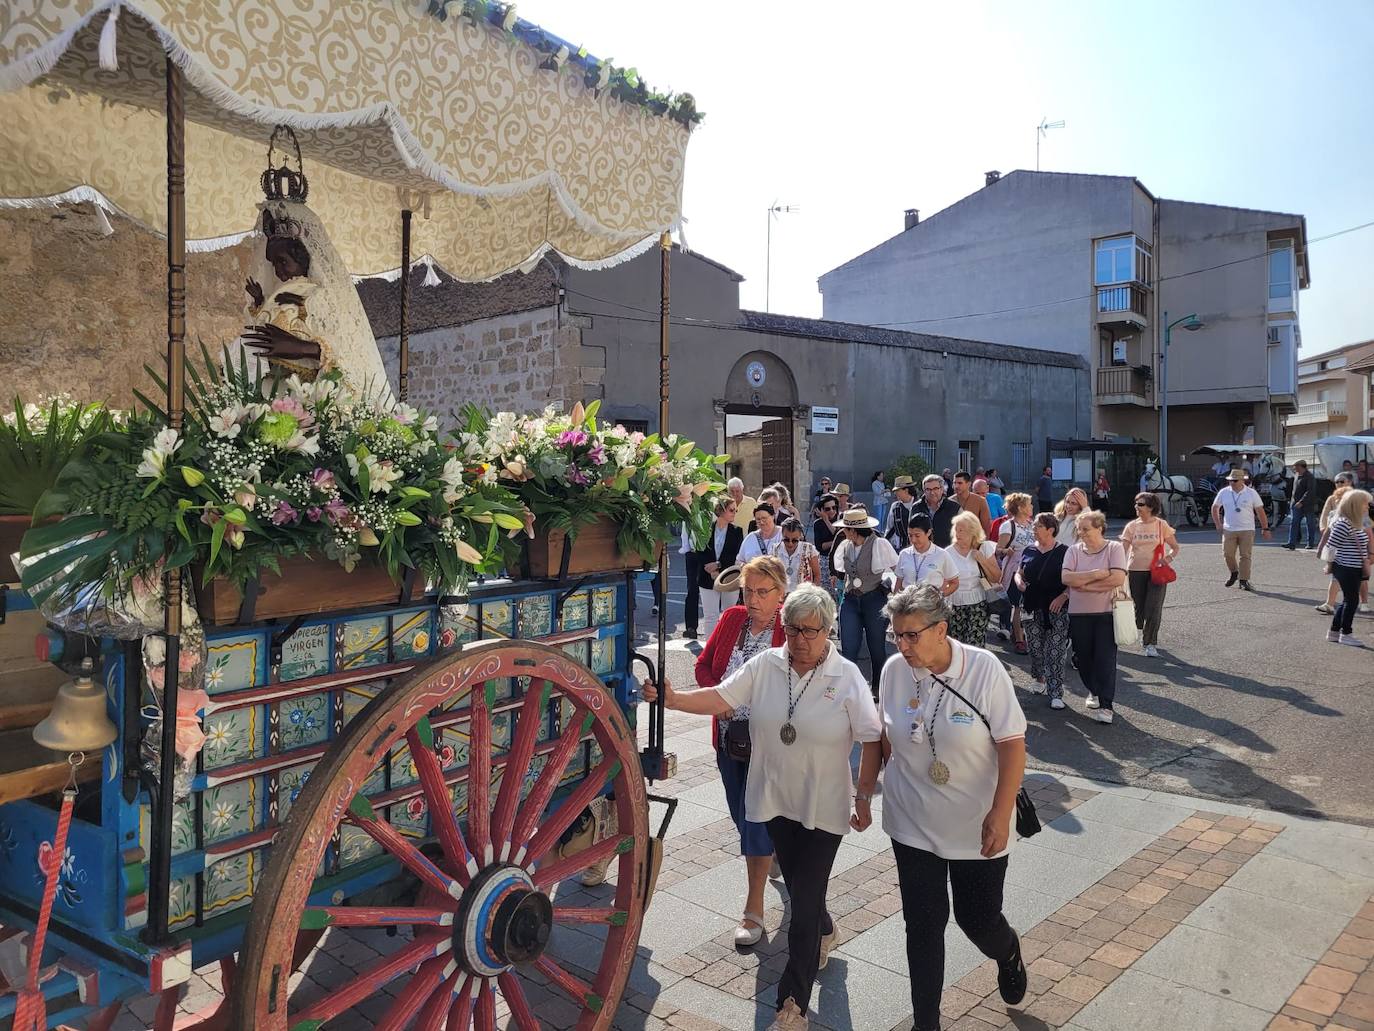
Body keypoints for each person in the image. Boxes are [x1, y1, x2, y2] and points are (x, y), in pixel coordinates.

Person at [642, 584, 883, 1030]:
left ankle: (791, 1004)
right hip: (774, 799)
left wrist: (864, 795)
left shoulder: (846, 675)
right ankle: (825, 929)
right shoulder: (768, 664)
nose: (799, 639)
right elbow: (722, 697)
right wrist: (673, 700)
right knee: (802, 887)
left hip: (823, 806)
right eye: (792, 629)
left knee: (803, 907)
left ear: (829, 629)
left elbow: (872, 737)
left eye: (810, 631)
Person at [878, 584, 1029, 1031]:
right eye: (896, 635)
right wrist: (871, 785)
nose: (902, 646)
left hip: (974, 820)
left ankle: (1008, 951)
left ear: (941, 629)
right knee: (922, 925)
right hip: (911, 820)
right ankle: (927, 1023)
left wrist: (1001, 814)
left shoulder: (983, 670)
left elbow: (1012, 745)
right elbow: (886, 733)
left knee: (977, 919)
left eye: (911, 636)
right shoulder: (893, 671)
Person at [692, 556, 788, 945]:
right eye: (748, 590)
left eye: (762, 592)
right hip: (729, 738)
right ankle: (776, 853)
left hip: (768, 745)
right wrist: (720, 697)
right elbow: (702, 667)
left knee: (754, 822)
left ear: (781, 593)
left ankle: (754, 910)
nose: (752, 599)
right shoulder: (732, 620)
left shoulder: (789, 627)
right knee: (739, 815)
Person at [1061, 511, 1128, 724]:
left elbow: (1117, 578)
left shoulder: (1114, 548)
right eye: (1079, 529)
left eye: (1085, 529)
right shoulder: (1073, 551)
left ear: (1099, 528)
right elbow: (1066, 577)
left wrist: (1083, 585)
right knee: (1083, 658)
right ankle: (1094, 690)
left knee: (1105, 659)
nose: (1081, 533)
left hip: (1106, 612)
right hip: (1078, 613)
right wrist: (1096, 574)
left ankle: (1106, 705)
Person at [833, 507, 900, 695]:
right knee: (848, 647)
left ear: (854, 530)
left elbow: (898, 570)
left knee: (876, 646)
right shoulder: (845, 545)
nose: (843, 532)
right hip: (851, 599)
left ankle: (878, 687)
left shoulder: (879, 544)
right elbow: (842, 570)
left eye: (845, 529)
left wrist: (897, 594)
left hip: (874, 598)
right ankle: (850, 689)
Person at [1016, 513, 1070, 708]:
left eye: (1038, 526)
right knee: (1036, 648)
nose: (1033, 529)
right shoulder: (1029, 550)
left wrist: (1064, 596)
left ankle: (1056, 691)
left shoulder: (1065, 551)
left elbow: (1073, 580)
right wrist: (1019, 582)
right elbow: (1019, 572)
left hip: (1056, 607)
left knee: (1055, 651)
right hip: (1031, 605)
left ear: (1050, 529)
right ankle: (1039, 678)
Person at [1121, 492, 1180, 658]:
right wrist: (1116, 567)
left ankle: (1150, 643)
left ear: (1151, 507)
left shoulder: (1161, 525)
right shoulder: (1132, 526)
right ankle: (1139, 630)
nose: (1136, 507)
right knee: (1138, 608)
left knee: (1153, 608)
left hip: (1157, 572)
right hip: (1135, 571)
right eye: (1136, 504)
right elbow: (1122, 550)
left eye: (1140, 504)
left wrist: (1167, 559)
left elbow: (1175, 547)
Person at [1319, 489, 1373, 646]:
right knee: (1352, 601)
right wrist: (1329, 566)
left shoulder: (1356, 521)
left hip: (1352, 567)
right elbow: (1330, 547)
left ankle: (1334, 632)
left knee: (1348, 600)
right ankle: (1346, 634)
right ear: (1355, 505)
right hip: (1346, 567)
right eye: (1365, 503)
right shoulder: (1344, 523)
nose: (1367, 506)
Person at [946, 511, 1002, 647]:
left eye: (962, 530)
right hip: (955, 604)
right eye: (956, 530)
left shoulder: (984, 547)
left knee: (975, 646)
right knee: (957, 646)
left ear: (973, 532)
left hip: (979, 603)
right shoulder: (947, 553)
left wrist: (982, 560)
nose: (958, 534)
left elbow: (996, 577)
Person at [1210, 469, 1271, 591]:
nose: (1232, 483)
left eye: (1235, 480)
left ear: (1242, 480)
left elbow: (1260, 511)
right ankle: (1234, 572)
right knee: (1227, 554)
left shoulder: (1251, 493)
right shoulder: (1224, 492)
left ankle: (1244, 580)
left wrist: (1265, 528)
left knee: (1245, 555)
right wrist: (1218, 523)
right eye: (1230, 480)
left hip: (1247, 529)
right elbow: (1215, 507)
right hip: (1229, 529)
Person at [696, 496, 744, 639]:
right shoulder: (705, 528)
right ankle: (709, 649)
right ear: (721, 510)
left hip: (729, 578)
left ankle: (727, 647)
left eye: (736, 510)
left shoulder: (737, 531)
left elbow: (736, 554)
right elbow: (699, 549)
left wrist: (718, 566)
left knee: (728, 615)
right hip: (707, 577)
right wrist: (710, 568)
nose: (734, 513)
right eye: (731, 510)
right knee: (710, 616)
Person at [1316, 472, 1363, 614]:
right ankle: (1330, 604)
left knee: (1359, 576)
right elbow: (1324, 516)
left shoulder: (1359, 497)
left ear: (1350, 482)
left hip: (1356, 543)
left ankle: (1360, 601)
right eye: (1337, 482)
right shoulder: (1332, 499)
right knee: (1336, 573)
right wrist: (1324, 530)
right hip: (1337, 541)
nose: (1339, 484)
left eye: (1342, 481)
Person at [994, 493, 1036, 655]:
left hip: (1031, 569)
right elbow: (997, 550)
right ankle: (1019, 639)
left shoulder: (1032, 524)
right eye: (1029, 504)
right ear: (1020, 507)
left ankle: (1018, 632)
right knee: (1017, 605)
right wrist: (1006, 550)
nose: (1032, 507)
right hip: (1014, 569)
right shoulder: (1008, 526)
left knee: (1026, 604)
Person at [896, 512, 959, 596]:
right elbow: (898, 583)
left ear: (928, 532)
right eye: (910, 535)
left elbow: (954, 583)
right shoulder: (904, 554)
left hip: (930, 606)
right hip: (907, 605)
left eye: (917, 535)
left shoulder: (942, 554)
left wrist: (939, 597)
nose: (913, 540)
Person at [772, 518, 822, 593]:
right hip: (780, 596)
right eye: (786, 539)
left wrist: (811, 594)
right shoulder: (775, 550)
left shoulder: (809, 549)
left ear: (800, 536)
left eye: (795, 540)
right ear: (782, 535)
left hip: (802, 597)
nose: (790, 543)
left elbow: (817, 575)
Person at [914, 474, 961, 548]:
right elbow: (911, 532)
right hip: (922, 553)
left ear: (942, 489)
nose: (932, 493)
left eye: (935, 488)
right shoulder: (916, 508)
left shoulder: (954, 508)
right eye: (928, 489)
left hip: (947, 553)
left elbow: (963, 532)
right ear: (924, 491)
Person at [811, 493, 841, 602]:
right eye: (827, 509)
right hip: (824, 562)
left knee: (838, 593)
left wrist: (826, 520)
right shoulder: (817, 524)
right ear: (822, 510)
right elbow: (820, 546)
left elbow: (836, 533)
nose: (832, 511)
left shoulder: (841, 520)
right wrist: (836, 542)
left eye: (834, 507)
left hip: (839, 560)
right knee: (825, 596)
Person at [1285, 460, 1319, 550]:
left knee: (1310, 524)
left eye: (1296, 466)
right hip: (1295, 504)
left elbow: (1310, 491)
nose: (1294, 468)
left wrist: (1301, 502)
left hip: (1307, 505)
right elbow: (1294, 490)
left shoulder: (1310, 477)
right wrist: (1292, 501)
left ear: (1301, 466)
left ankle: (1310, 543)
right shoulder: (1296, 475)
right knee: (1294, 523)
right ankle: (1291, 543)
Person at [883, 475, 919, 550]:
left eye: (897, 491)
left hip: (919, 547)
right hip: (901, 548)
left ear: (906, 490)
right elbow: (889, 528)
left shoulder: (920, 505)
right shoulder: (895, 507)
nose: (895, 494)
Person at [953, 470, 992, 537]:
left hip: (974, 542)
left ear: (968, 484)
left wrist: (983, 545)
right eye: (954, 483)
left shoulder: (980, 501)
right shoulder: (949, 501)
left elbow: (986, 527)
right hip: (954, 542)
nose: (956, 486)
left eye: (960, 483)